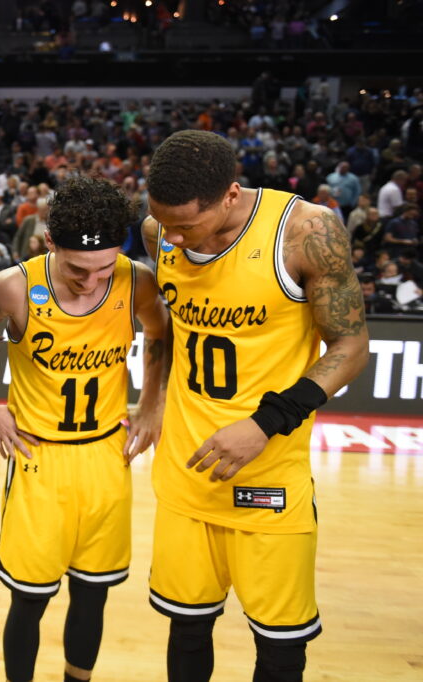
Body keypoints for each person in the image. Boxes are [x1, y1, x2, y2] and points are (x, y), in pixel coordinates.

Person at [142, 130, 369, 682]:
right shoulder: (159, 230)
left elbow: (350, 346)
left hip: (269, 473)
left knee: (279, 641)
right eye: (162, 223)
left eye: (184, 226)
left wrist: (266, 424)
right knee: (187, 627)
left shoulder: (306, 232)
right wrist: (153, 400)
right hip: (186, 471)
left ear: (230, 195)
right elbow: (172, 329)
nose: (170, 237)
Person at [0, 175, 168, 682]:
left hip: (107, 456)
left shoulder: (135, 281)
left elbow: (161, 333)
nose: (93, 280)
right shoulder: (12, 287)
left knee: (93, 594)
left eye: (105, 267)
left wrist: (151, 402)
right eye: (79, 268)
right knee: (30, 601)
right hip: (40, 460)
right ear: (49, 242)